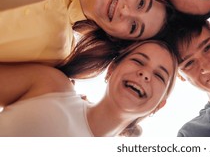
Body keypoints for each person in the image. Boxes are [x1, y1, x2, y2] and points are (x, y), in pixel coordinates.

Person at [0, 0, 173, 64]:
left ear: (117, 38)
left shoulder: (53, 53)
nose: (126, 12)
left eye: (134, 26)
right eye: (141, 3)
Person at [0, 40, 178, 137]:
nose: (145, 74)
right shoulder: (50, 86)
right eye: (138, 61)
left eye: (159, 76)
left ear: (159, 106)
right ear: (111, 69)